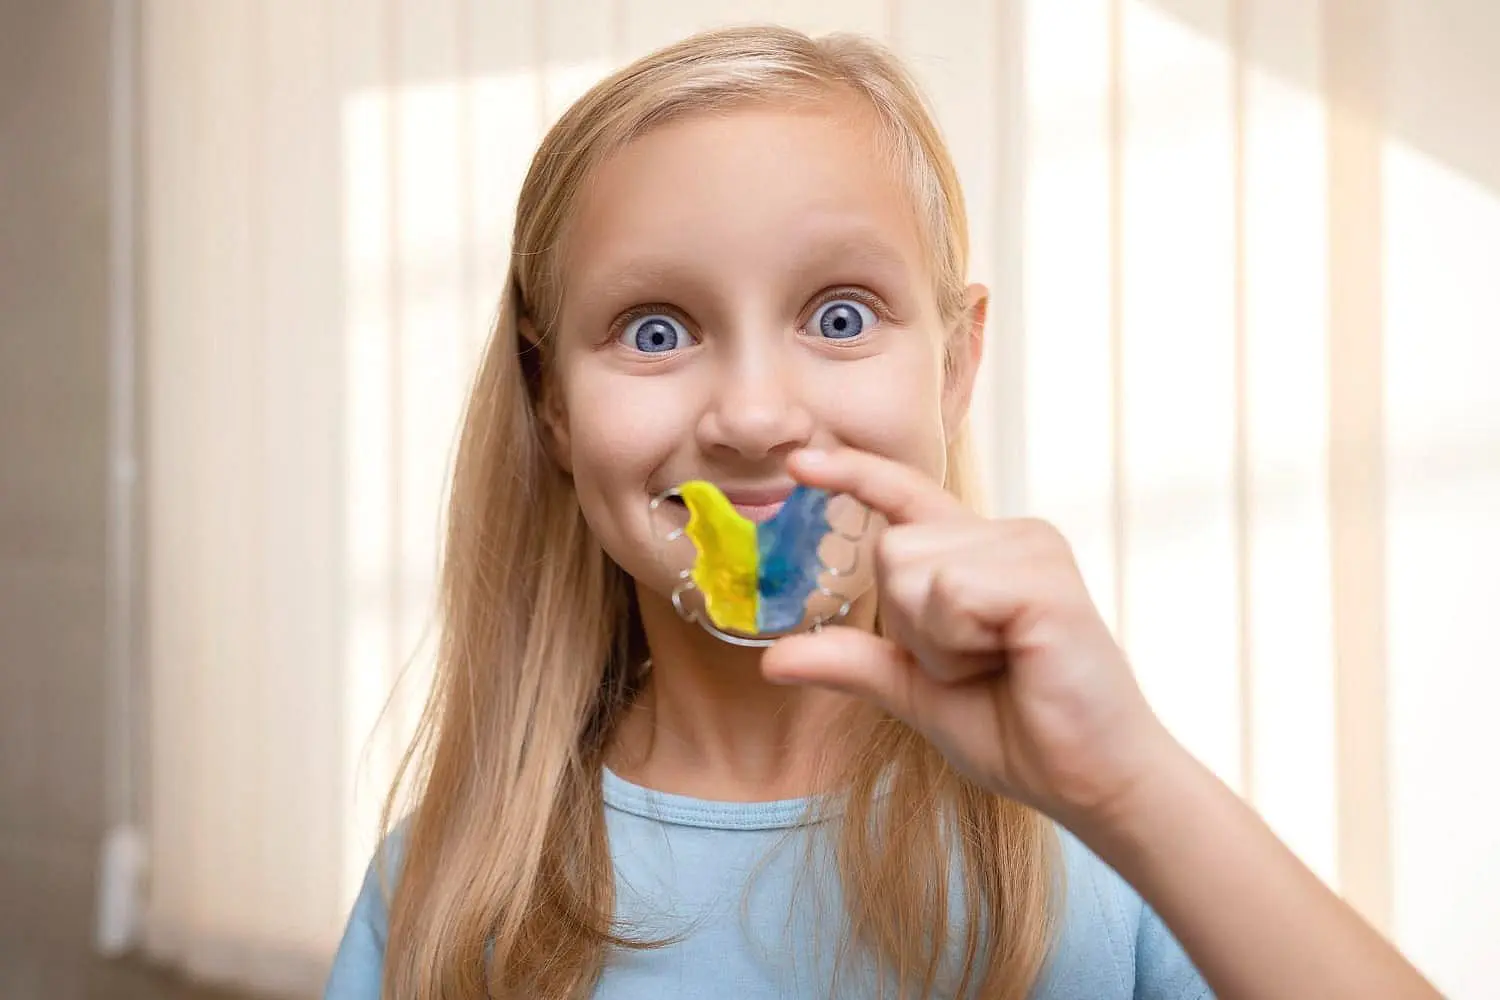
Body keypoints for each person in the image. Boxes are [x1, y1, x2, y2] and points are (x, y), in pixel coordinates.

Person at [324, 24, 1440, 1000]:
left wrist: (1130, 784)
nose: (755, 416)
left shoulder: (1106, 851)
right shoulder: (441, 895)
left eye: (842, 315)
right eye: (657, 330)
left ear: (955, 365)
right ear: (552, 406)